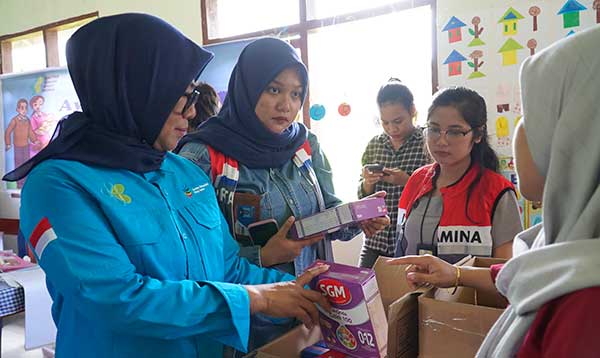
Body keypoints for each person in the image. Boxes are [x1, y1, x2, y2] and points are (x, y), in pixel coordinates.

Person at [3, 14, 332, 358]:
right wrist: (257, 298)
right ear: (136, 90)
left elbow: (229, 267)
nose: (192, 113)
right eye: (183, 97)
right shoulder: (57, 185)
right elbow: (115, 298)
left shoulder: (183, 173)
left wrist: (294, 288)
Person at [389, 26, 600, 357]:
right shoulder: (559, 245)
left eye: (532, 116)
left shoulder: (586, 306)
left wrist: (458, 279)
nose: (441, 140)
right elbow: (514, 275)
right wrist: (454, 273)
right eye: (433, 129)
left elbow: (507, 280)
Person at [175, 37, 389, 351]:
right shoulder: (203, 156)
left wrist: (355, 218)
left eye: (296, 93)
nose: (286, 105)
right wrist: (264, 256)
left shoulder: (305, 145)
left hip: (310, 310)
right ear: (247, 87)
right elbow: (189, 260)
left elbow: (327, 208)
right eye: (274, 89)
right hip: (244, 323)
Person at [394, 87, 522, 263]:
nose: (441, 141)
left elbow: (504, 274)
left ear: (477, 135)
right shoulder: (416, 180)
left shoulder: (498, 192)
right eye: (434, 129)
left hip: (472, 291)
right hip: (411, 290)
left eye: (454, 132)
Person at [358, 79, 430, 268]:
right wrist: (367, 183)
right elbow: (362, 198)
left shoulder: (427, 141)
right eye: (385, 122)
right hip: (376, 241)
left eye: (398, 121)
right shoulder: (375, 144)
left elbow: (441, 190)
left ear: (412, 110)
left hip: (413, 241)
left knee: (407, 297)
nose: (392, 128)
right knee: (362, 294)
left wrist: (408, 181)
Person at [4, 98, 37, 188]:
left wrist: (35, 140)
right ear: (17, 109)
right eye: (22, 108)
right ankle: (19, 184)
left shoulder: (27, 120)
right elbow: (8, 132)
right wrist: (8, 143)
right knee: (18, 164)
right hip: (17, 147)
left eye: (26, 108)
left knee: (26, 163)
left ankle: (26, 182)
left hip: (26, 146)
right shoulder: (14, 120)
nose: (24, 110)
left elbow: (30, 132)